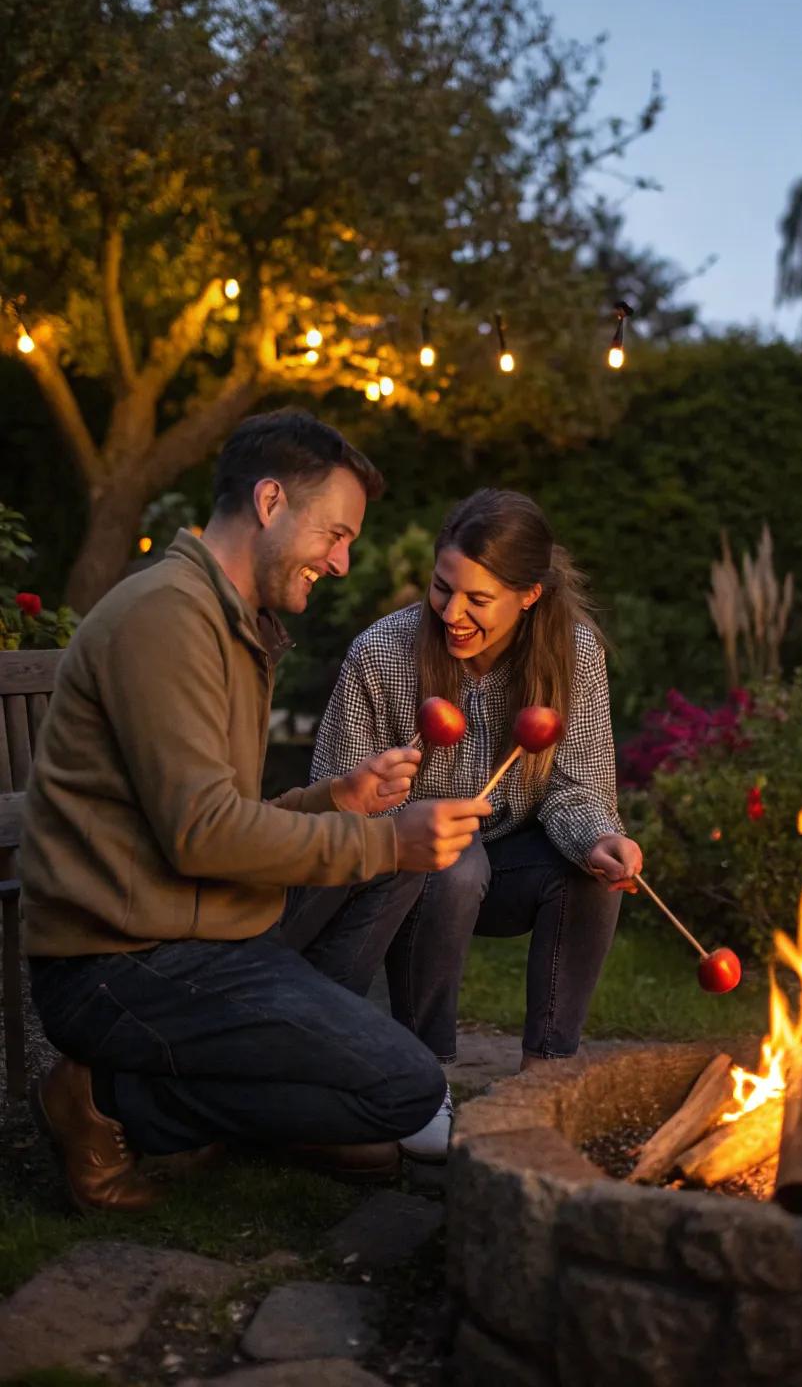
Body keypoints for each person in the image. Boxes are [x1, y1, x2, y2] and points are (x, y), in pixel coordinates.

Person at [21, 409, 491, 1213]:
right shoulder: (167, 619)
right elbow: (204, 835)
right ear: (271, 502)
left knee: (380, 1109)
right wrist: (382, 841)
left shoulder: (229, 621)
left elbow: (216, 815)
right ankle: (107, 1098)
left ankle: (227, 1080)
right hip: (120, 964)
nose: (342, 562)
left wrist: (336, 800)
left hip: (198, 934)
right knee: (406, 1091)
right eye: (335, 534)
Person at [310, 487, 643, 1160]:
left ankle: (543, 1077)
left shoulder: (572, 656)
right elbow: (331, 801)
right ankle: (423, 1072)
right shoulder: (382, 655)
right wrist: (379, 799)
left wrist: (601, 838)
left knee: (589, 872)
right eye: (442, 589)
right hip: (411, 865)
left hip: (514, 860)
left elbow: (576, 789)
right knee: (457, 863)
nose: (452, 614)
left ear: (529, 596)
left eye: (477, 600)